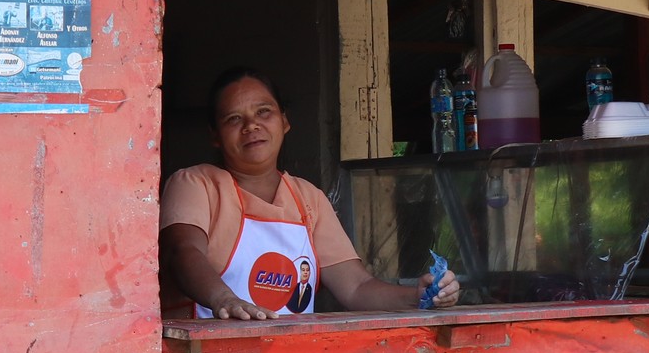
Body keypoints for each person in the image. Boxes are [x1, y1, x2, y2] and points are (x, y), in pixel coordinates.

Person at [163, 66, 460, 319]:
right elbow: (183, 252)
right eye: (234, 119)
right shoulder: (196, 184)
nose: (251, 125)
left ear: (284, 121)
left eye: (264, 112)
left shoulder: (308, 198)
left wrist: (419, 296)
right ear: (215, 135)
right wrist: (223, 299)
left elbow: (356, 288)